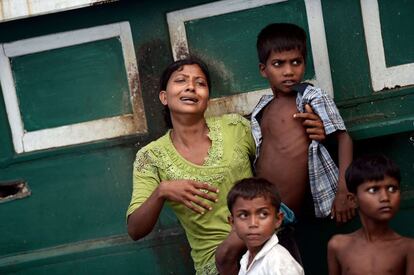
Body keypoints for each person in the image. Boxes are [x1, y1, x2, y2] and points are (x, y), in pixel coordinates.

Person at [126, 57, 326, 275]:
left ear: (207, 98)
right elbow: (135, 230)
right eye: (181, 80)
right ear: (164, 97)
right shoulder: (151, 156)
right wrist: (162, 191)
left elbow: (280, 154)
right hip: (216, 265)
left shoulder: (235, 127)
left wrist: (314, 132)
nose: (191, 87)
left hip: (264, 252)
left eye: (200, 83)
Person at [216, 23, 354, 273]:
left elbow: (343, 137)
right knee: (275, 262)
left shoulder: (311, 97)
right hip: (258, 200)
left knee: (226, 254)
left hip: (280, 205)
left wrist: (342, 192)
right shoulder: (263, 106)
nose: (289, 71)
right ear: (263, 70)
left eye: (296, 62)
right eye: (279, 64)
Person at [327, 154, 414, 275]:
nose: (385, 197)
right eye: (373, 190)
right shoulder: (338, 246)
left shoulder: (408, 248)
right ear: (353, 200)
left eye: (392, 189)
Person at [227, 177, 304, 275]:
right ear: (232, 222)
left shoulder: (279, 263)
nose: (253, 223)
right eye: (244, 215)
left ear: (278, 219)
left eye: (263, 214)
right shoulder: (246, 259)